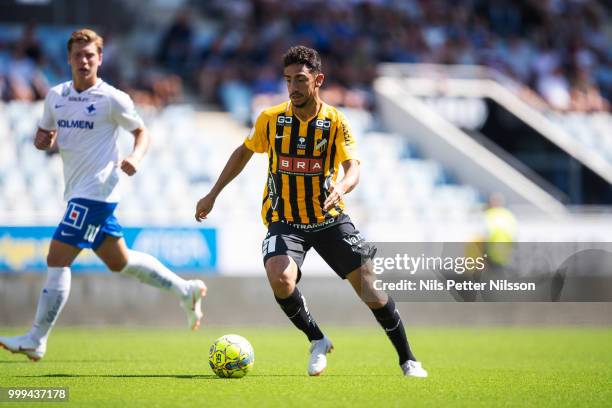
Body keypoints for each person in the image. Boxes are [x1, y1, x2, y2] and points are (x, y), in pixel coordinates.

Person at [195, 45, 427, 377]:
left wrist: (342, 187)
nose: (293, 87)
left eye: (300, 79)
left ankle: (408, 359)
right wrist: (213, 193)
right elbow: (243, 153)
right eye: (288, 80)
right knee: (280, 277)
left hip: (329, 219)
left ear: (318, 80)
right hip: (285, 220)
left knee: (371, 290)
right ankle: (317, 339)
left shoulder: (335, 121)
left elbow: (353, 168)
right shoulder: (271, 119)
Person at [0, 29, 206, 362]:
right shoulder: (55, 96)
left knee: (57, 257)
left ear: (100, 58)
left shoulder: (113, 98)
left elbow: (141, 132)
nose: (84, 60)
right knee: (119, 261)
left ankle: (36, 339)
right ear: (68, 58)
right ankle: (186, 289)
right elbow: (49, 137)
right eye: (78, 55)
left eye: (90, 55)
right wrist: (45, 143)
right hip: (76, 190)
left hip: (98, 191)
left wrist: (135, 158)